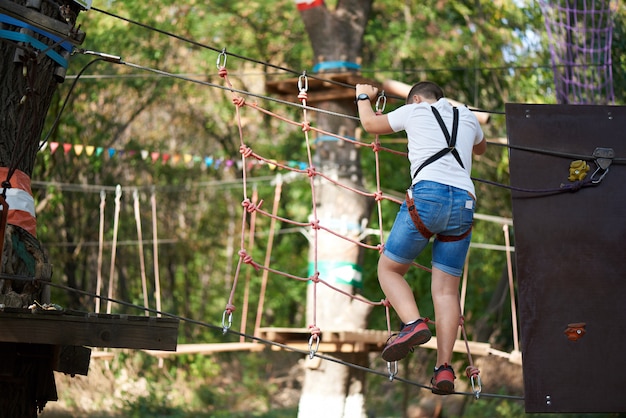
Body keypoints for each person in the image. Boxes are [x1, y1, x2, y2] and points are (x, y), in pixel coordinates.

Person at [355, 81, 486, 394]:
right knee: (446, 292)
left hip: (428, 197)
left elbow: (370, 123)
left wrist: (364, 96)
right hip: (464, 204)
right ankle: (443, 369)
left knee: (389, 269)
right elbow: (479, 148)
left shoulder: (413, 111)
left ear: (416, 98)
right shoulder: (466, 115)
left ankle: (413, 323)